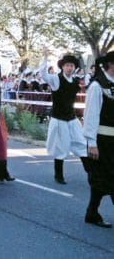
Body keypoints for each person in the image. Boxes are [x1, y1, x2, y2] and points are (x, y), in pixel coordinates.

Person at [40, 49, 88, 184]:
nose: (69, 67)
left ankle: (92, 174)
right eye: (67, 65)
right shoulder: (56, 79)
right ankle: (58, 175)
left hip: (71, 118)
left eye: (72, 65)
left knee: (82, 144)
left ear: (74, 68)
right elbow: (43, 74)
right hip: (59, 119)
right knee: (60, 147)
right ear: (62, 66)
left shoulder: (75, 81)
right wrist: (45, 57)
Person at [83, 51, 114, 228]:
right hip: (103, 141)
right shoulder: (97, 86)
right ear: (111, 64)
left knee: (103, 180)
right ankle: (92, 212)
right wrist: (92, 143)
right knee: (106, 177)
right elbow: (91, 116)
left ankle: (92, 212)